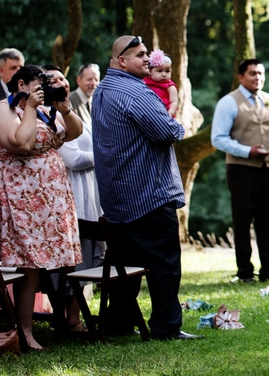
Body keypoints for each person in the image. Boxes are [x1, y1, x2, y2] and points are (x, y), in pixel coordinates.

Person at [92, 35, 200, 341]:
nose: (147, 59)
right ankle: (167, 326)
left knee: (125, 265)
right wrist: (177, 119)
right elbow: (168, 132)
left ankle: (119, 322)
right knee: (164, 264)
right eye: (140, 55)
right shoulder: (137, 93)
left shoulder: (102, 90)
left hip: (116, 195)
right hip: (148, 192)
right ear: (122, 60)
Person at [0, 63, 84, 351]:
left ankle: (56, 321)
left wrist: (64, 108)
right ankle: (25, 332)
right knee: (28, 264)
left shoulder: (44, 110)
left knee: (42, 262)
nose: (43, 92)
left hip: (48, 199)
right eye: (38, 86)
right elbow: (22, 144)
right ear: (21, 85)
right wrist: (29, 107)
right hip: (20, 197)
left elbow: (73, 133)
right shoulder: (5, 109)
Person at [212, 58, 269, 284]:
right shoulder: (228, 102)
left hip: (268, 170)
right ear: (241, 77)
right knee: (242, 220)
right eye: (253, 73)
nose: (258, 78)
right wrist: (247, 151)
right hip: (240, 169)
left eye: (261, 73)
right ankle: (244, 271)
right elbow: (218, 138)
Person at [43, 65, 105, 333]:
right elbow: (73, 158)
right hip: (71, 192)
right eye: (53, 80)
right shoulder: (49, 116)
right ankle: (69, 320)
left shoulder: (71, 112)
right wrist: (102, 156)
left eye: (62, 77)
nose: (61, 82)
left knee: (83, 256)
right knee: (72, 260)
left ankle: (73, 317)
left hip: (87, 191)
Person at [144, 50, 178, 117]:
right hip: (147, 112)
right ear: (150, 71)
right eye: (159, 71)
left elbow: (174, 102)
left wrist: (170, 112)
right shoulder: (145, 81)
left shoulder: (170, 87)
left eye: (167, 71)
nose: (164, 74)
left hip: (164, 114)